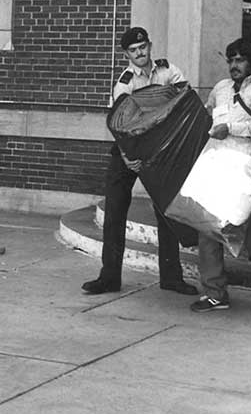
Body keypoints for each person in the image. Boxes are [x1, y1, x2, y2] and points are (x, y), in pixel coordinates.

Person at [81, 26, 197, 296]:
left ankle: (171, 277)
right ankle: (109, 277)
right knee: (115, 212)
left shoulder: (169, 72)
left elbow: (183, 103)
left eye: (143, 47)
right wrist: (127, 157)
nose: (140, 53)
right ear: (126, 54)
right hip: (128, 150)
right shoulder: (124, 82)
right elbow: (119, 125)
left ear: (150, 45)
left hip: (160, 150)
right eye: (133, 50)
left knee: (166, 211)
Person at [191, 37, 251, 312]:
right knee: (208, 229)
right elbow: (206, 114)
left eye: (240, 60)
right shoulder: (220, 88)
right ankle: (215, 293)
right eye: (230, 60)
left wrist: (231, 127)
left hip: (245, 169)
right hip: (216, 166)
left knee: (247, 232)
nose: (234, 65)